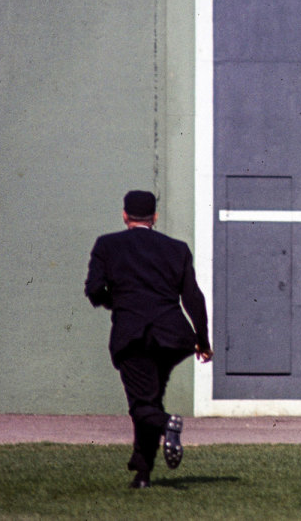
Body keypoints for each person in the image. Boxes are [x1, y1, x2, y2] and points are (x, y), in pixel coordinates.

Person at [85, 190, 213, 489]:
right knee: (149, 399)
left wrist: (116, 301)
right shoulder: (177, 249)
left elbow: (93, 290)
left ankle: (168, 424)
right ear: (155, 217)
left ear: (124, 215)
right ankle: (142, 473)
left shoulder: (107, 245)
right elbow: (193, 297)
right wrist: (202, 341)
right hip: (173, 338)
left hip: (133, 336)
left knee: (143, 406)